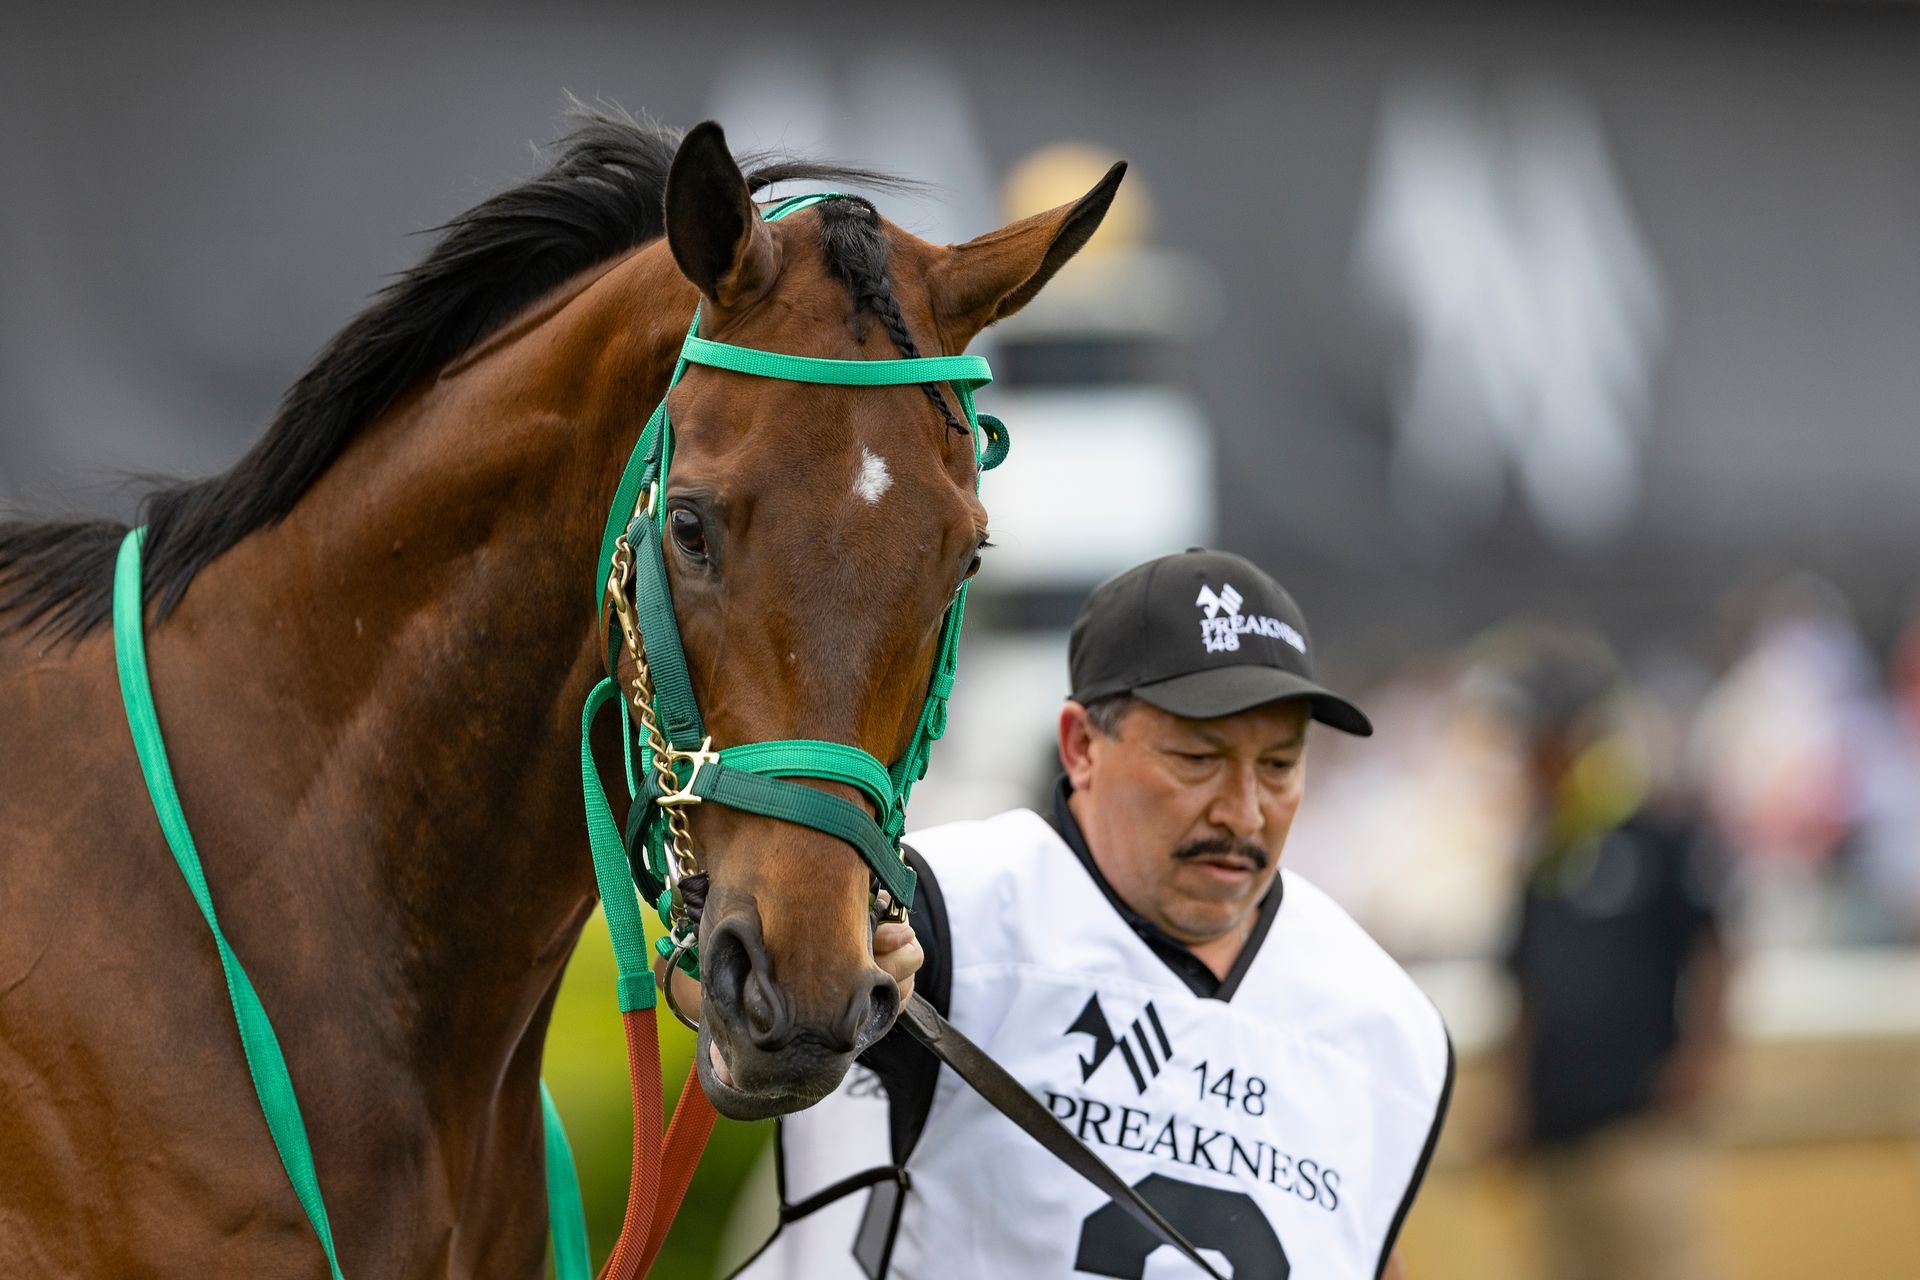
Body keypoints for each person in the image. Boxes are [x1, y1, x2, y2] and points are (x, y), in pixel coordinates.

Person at [698, 548, 1452, 1279]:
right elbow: (732, 989)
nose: (1244, 812)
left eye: (1280, 766)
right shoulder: (947, 907)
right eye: (1198, 759)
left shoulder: (1390, 1025)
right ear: (1082, 745)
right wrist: (782, 983)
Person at [1485, 624, 1731, 1280]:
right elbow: (1526, 985)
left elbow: (1716, 946)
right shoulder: (1547, 851)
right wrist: (1514, 1099)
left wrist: (1698, 1065)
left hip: (1638, 1131)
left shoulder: (1657, 828)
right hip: (1556, 1141)